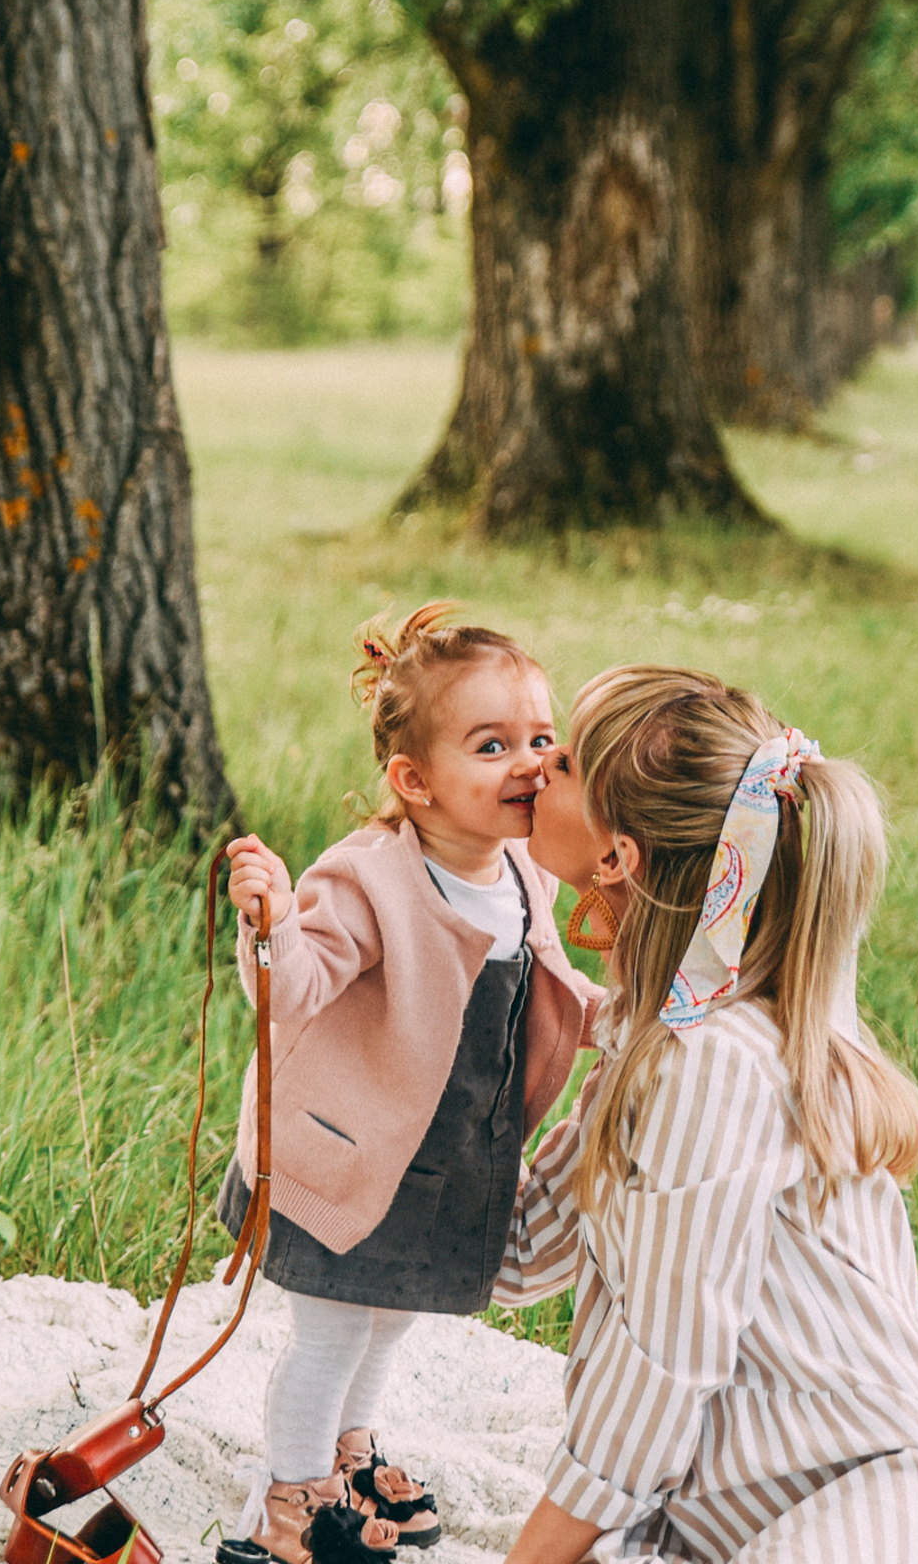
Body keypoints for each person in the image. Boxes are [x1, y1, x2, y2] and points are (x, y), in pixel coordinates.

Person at [501, 666, 918, 1563]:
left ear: (615, 858)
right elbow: (519, 1250)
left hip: (898, 1499)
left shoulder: (709, 1062)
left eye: (564, 762)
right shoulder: (651, 1040)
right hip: (738, 1520)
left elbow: (660, 1367)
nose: (538, 760)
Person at [219, 605, 604, 1564]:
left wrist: (617, 1020)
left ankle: (351, 1452)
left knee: (392, 1313)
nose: (529, 764)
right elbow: (294, 990)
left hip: (444, 1155)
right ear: (414, 782)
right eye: (491, 745)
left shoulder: (524, 870)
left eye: (541, 740)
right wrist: (271, 924)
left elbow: (551, 975)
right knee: (332, 1332)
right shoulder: (368, 878)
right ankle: (289, 1499)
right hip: (352, 1154)